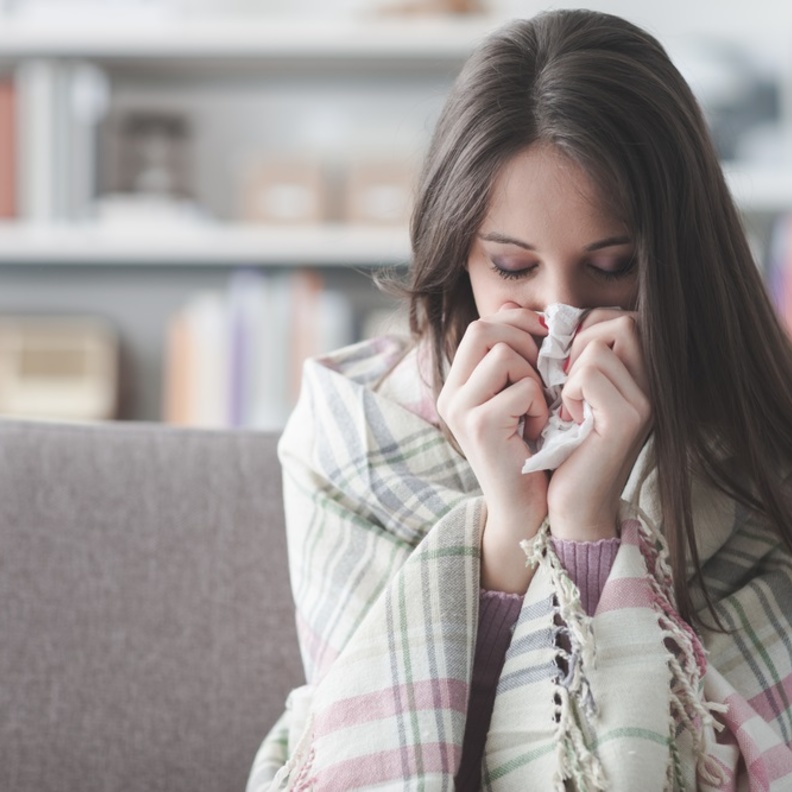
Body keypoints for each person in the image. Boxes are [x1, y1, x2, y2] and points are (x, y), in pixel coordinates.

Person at [248, 9, 792, 791]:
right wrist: (509, 527)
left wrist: (586, 521)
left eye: (612, 266)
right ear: (456, 253)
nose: (560, 310)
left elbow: (723, 749)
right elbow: (397, 751)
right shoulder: (356, 431)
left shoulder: (750, 437)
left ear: (677, 258)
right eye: (511, 267)